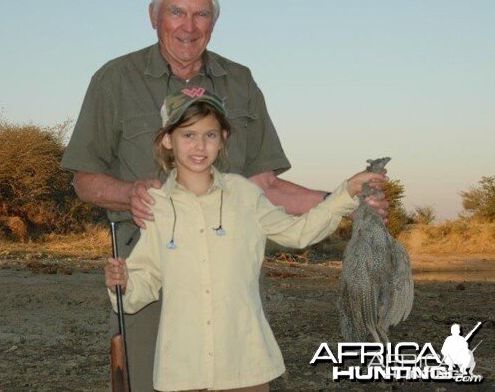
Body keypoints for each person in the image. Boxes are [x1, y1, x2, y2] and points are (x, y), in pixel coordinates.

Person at [61, 0, 388, 390]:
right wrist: (130, 193)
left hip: (226, 267)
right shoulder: (113, 79)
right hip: (150, 261)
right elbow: (84, 178)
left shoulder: (241, 80)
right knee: (151, 379)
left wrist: (348, 198)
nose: (189, 26)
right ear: (154, 15)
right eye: (177, 11)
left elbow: (266, 187)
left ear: (214, 21)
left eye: (202, 14)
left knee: (238, 369)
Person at [104, 89, 387, 391]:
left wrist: (345, 193)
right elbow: (143, 282)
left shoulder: (245, 195)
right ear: (168, 140)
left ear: (223, 137)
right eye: (188, 135)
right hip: (183, 371)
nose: (199, 145)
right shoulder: (156, 205)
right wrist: (122, 282)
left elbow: (299, 231)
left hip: (245, 367)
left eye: (210, 135)